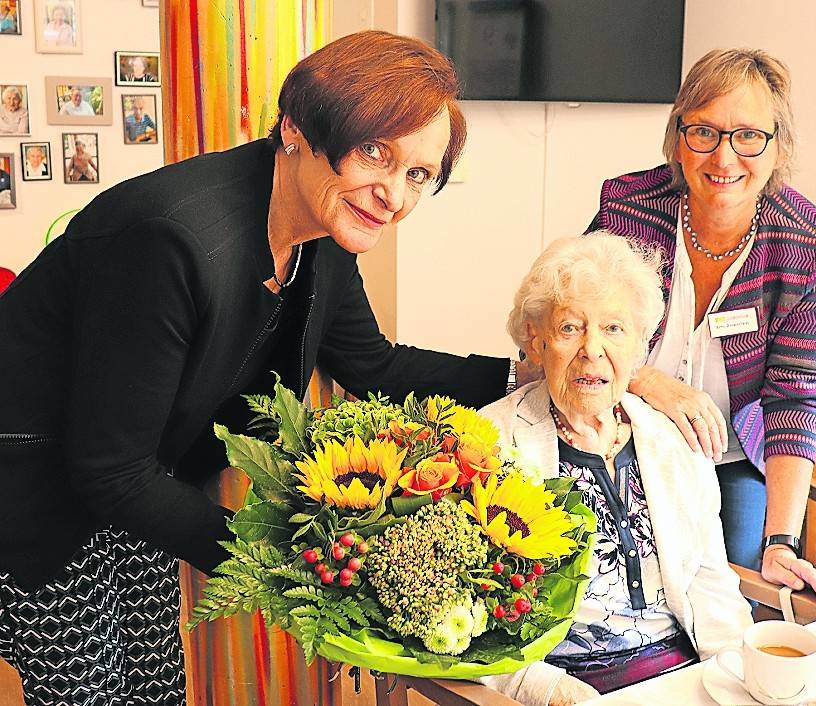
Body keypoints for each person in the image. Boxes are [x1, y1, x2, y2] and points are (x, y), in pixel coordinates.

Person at [0, 31, 522, 706]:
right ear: (296, 128)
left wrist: (531, 373)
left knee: (155, 686)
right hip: (33, 489)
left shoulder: (321, 235)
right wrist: (300, 573)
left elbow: (373, 362)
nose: (392, 194)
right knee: (88, 695)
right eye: (374, 152)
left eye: (417, 174)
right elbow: (108, 469)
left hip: (131, 485)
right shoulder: (171, 237)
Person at [586, 48, 816, 608]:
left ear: (778, 146)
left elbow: (793, 399)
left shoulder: (807, 243)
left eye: (748, 135)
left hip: (728, 457)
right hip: (617, 437)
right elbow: (575, 333)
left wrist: (782, 540)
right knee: (616, 591)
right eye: (703, 131)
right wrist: (649, 383)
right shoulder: (627, 208)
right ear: (678, 138)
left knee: (736, 594)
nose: (724, 156)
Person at [479, 235, 753, 705]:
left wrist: (738, 678)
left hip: (678, 676)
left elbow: (711, 583)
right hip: (567, 684)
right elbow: (469, 619)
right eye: (570, 328)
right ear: (535, 340)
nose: (593, 349)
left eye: (613, 328)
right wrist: (551, 693)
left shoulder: (673, 439)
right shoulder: (490, 443)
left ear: (640, 345)